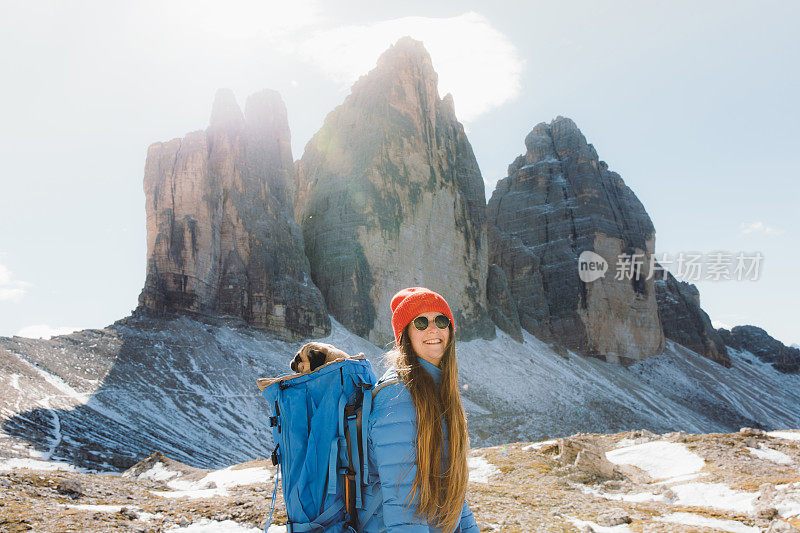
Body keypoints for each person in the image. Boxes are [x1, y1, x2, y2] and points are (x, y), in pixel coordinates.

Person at [358, 287, 479, 532]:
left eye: (441, 320)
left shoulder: (440, 389)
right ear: (406, 336)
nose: (433, 329)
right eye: (421, 322)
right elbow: (405, 505)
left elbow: (452, 492)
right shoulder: (398, 396)